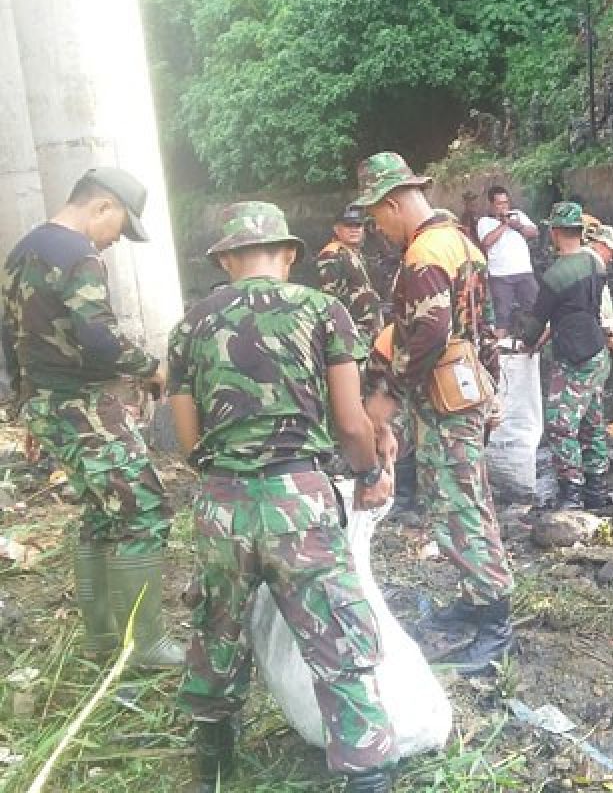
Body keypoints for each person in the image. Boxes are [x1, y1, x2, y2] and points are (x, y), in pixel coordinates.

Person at [169, 202, 396, 793]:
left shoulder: (192, 322)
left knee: (216, 626)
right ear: (290, 254)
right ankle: (366, 771)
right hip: (301, 499)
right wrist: (369, 473)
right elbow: (350, 422)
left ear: (224, 259)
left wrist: (220, 475)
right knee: (336, 633)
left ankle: (215, 762)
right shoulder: (325, 310)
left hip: (222, 501)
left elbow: (186, 437)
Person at [0, 167, 183, 667]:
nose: (113, 243)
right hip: (81, 406)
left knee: (103, 514)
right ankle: (146, 646)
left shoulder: (22, 251)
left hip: (46, 403)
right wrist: (153, 368)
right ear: (102, 206)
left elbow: (9, 337)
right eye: (119, 229)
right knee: (143, 510)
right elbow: (99, 340)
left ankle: (103, 640)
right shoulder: (77, 252)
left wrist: (23, 403)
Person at [354, 152, 515, 675]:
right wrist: (493, 386)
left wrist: (390, 391)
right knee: (467, 496)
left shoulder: (423, 256)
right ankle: (476, 598)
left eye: (377, 216)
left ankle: (495, 622)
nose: (377, 229)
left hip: (445, 401)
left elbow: (427, 334)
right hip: (466, 390)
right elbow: (485, 324)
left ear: (394, 202)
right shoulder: (462, 242)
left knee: (458, 503)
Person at [521, 203, 611, 509]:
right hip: (598, 351)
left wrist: (525, 344)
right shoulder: (596, 263)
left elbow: (537, 320)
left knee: (560, 424)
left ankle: (571, 491)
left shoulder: (555, 275)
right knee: (592, 420)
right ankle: (596, 489)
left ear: (555, 232)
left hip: (573, 357)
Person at [477, 185, 540, 337]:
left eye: (506, 203)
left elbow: (534, 232)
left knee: (536, 310)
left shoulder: (518, 215)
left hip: (524, 271)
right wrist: (504, 224)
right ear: (491, 205)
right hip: (500, 275)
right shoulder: (484, 221)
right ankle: (499, 353)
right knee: (502, 317)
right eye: (499, 204)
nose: (504, 207)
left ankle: (538, 345)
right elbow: (486, 242)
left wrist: (517, 225)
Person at [316, 204, 385, 339]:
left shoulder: (353, 253)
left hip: (367, 331)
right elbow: (328, 298)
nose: (354, 230)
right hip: (352, 333)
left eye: (358, 225)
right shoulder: (332, 254)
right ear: (337, 229)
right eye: (348, 225)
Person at [586, 224, 613, 367]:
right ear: (602, 244)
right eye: (612, 252)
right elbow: (596, 305)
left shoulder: (580, 260)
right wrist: (611, 334)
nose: (611, 258)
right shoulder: (593, 267)